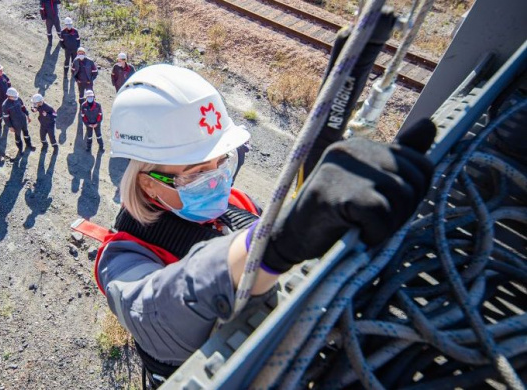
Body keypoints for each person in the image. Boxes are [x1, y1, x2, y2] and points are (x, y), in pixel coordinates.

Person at [94, 64, 434, 385]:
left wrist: (328, 127)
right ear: (147, 183)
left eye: (221, 161)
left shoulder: (234, 205)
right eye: (196, 172)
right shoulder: (123, 260)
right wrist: (278, 242)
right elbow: (157, 312)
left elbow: (295, 223)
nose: (216, 181)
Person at [2, 87, 36, 154]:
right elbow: (6, 118)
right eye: (13, 96)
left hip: (23, 120)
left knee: (26, 133)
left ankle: (29, 145)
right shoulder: (5, 105)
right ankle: (20, 149)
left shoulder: (18, 99)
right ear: (9, 96)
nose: (15, 97)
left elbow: (23, 107)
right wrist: (10, 126)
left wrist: (28, 116)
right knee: (17, 136)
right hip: (15, 123)